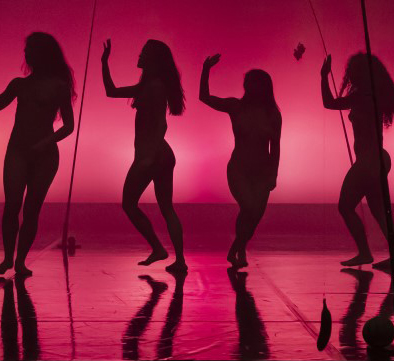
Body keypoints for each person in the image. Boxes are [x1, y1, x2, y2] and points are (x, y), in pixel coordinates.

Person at [0, 32, 75, 276]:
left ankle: (20, 261)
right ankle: (8, 259)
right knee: (12, 206)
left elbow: (69, 126)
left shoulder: (59, 87)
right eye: (26, 50)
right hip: (18, 151)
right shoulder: (19, 85)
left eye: (30, 49)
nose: (26, 53)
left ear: (41, 54)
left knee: (31, 209)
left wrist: (45, 143)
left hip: (45, 155)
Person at [102, 38, 187, 273]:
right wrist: (104, 63)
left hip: (152, 154)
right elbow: (111, 92)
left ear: (153, 60)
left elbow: (161, 124)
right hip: (161, 153)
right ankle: (178, 259)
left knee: (129, 204)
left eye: (144, 53)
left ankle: (159, 249)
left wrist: (148, 156)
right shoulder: (150, 85)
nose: (139, 55)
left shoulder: (153, 87)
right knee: (166, 208)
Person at [321, 52, 394, 272]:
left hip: (368, 161)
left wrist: (323, 76)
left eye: (352, 70)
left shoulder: (363, 97)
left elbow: (329, 103)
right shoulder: (372, 96)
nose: (349, 74)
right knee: (379, 212)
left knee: (345, 206)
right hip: (377, 159)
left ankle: (365, 252)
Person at [199, 53, 281, 268]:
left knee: (253, 215)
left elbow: (276, 147)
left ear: (263, 87)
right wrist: (206, 69)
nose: (248, 86)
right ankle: (236, 249)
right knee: (249, 207)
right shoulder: (236, 107)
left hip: (262, 172)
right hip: (239, 169)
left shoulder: (273, 114)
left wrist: (273, 175)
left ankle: (239, 248)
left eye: (253, 83)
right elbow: (205, 98)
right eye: (247, 83)